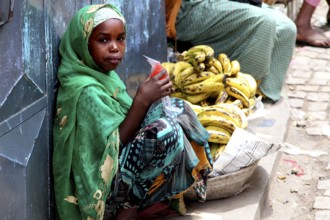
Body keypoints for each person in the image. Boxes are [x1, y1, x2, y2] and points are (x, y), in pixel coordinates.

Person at [52, 4, 213, 220]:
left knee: (177, 109)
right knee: (166, 133)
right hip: (99, 193)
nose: (115, 47)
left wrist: (154, 101)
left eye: (120, 38)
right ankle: (127, 209)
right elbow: (113, 149)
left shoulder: (105, 78)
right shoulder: (85, 90)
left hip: (120, 175)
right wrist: (142, 99)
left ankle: (196, 175)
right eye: (103, 40)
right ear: (83, 44)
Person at [165, 0, 297, 102]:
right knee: (263, 22)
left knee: (287, 29)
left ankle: (260, 94)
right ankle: (237, 93)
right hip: (189, 7)